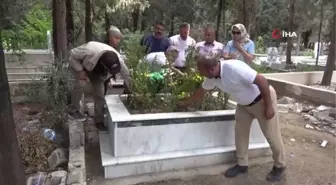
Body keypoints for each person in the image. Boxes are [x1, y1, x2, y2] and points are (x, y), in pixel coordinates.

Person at [177, 56, 286, 182]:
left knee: (271, 135)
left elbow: (261, 80)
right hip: (244, 105)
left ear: (211, 69)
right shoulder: (212, 77)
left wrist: (268, 106)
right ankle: (242, 165)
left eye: (201, 71)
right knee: (240, 133)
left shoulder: (234, 68)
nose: (200, 73)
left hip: (261, 101)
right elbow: (201, 92)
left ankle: (280, 166)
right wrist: (185, 103)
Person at [68, 41, 131, 130]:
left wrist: (131, 91)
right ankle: (73, 110)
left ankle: (98, 121)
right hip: (82, 65)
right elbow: (72, 54)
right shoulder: (89, 50)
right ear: (103, 64)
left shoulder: (118, 59)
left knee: (100, 95)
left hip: (98, 73)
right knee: (81, 84)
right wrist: (80, 70)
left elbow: (126, 75)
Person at [104, 25, 124, 95]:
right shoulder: (105, 49)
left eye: (119, 38)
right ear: (109, 38)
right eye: (116, 38)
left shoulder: (114, 49)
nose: (118, 41)